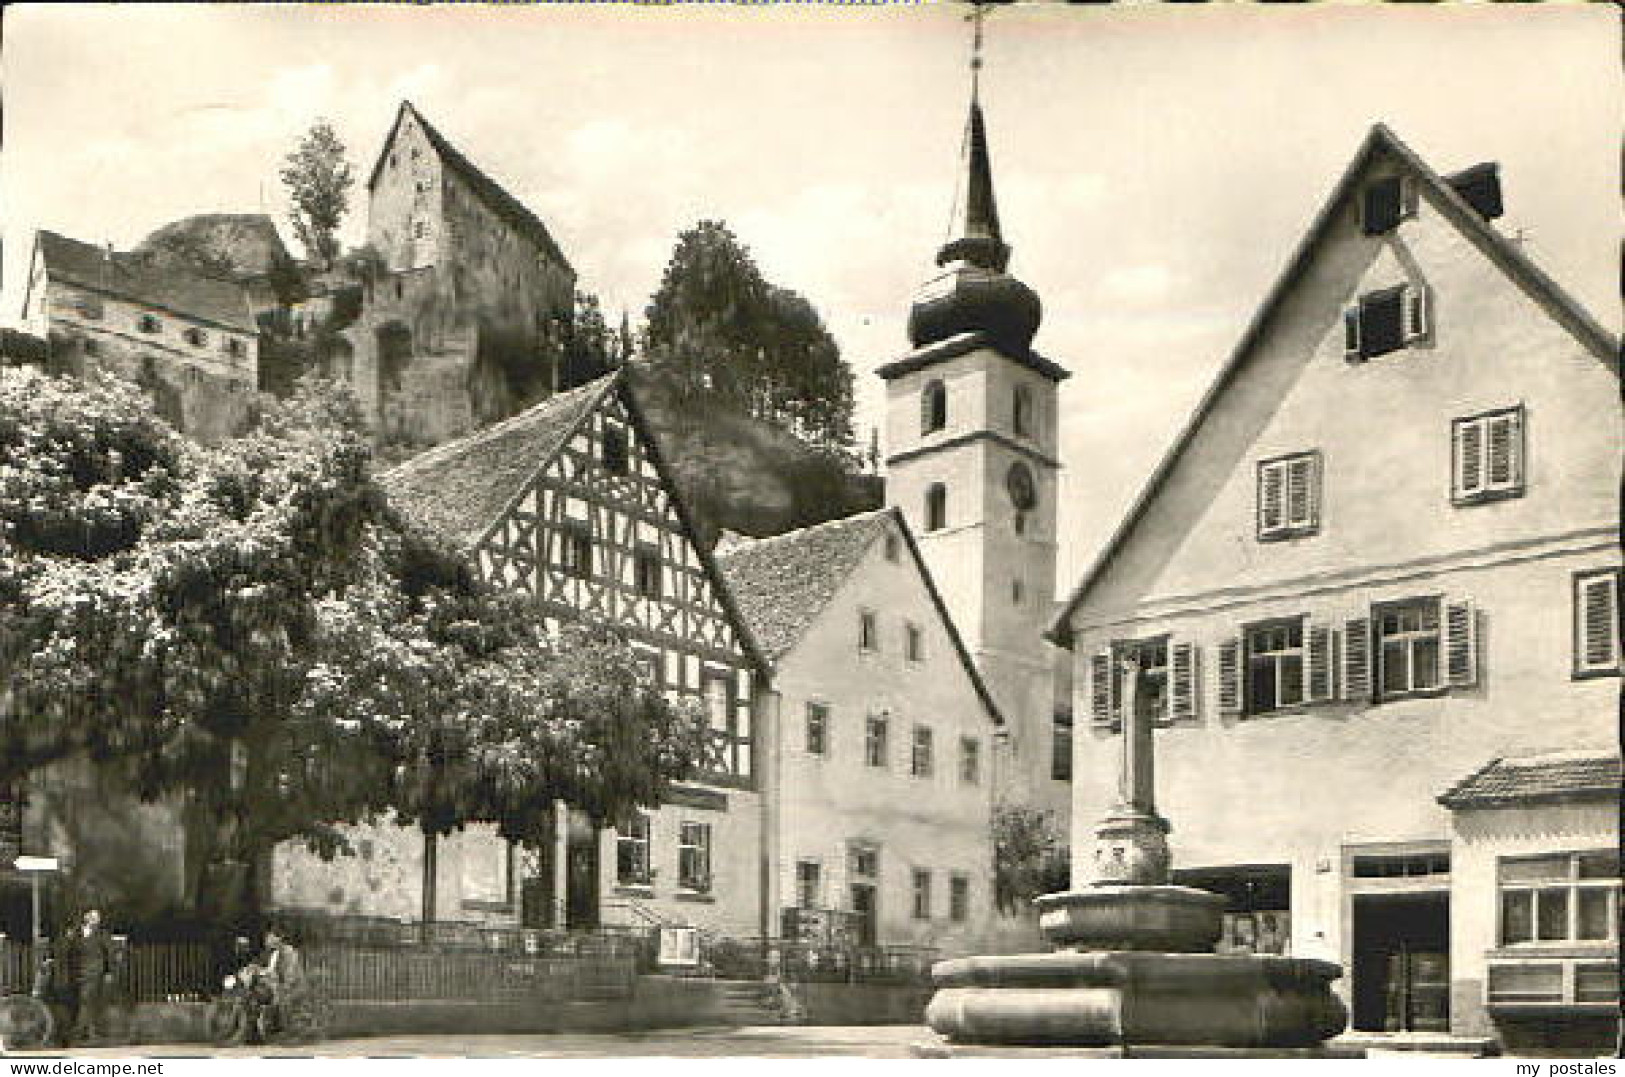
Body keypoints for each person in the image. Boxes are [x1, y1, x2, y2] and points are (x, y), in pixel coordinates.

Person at [58, 909, 115, 1047]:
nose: (96, 920)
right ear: (86, 918)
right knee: (79, 1003)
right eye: (93, 917)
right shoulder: (75, 934)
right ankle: (89, 1034)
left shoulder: (102, 934)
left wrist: (108, 972)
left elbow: (109, 953)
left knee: (84, 1001)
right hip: (76, 974)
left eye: (97, 918)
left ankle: (73, 1037)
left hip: (94, 974)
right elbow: (67, 951)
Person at [258, 925, 311, 1042]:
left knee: (282, 1003)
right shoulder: (272, 953)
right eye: (267, 938)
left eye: (270, 938)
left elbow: (291, 971)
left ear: (279, 939)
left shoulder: (289, 952)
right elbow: (268, 969)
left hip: (293, 985)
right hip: (279, 984)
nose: (267, 940)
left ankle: (291, 1032)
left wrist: (284, 983)